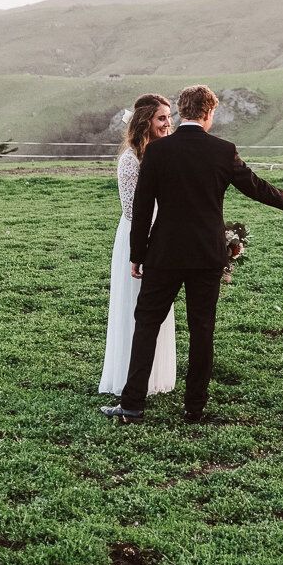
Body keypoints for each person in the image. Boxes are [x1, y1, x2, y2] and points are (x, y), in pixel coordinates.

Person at [100, 84, 283, 424]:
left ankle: (133, 404)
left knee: (146, 324)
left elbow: (141, 205)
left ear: (181, 112)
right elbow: (256, 187)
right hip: (207, 256)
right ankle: (194, 408)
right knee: (202, 329)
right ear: (209, 113)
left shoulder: (159, 152)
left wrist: (137, 254)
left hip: (163, 254)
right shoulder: (223, 151)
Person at [97, 93, 177, 397]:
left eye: (169, 117)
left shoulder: (164, 154)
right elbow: (133, 211)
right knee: (135, 309)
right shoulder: (130, 160)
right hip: (138, 237)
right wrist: (145, 248)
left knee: (157, 310)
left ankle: (156, 377)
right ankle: (129, 379)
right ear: (145, 121)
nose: (168, 123)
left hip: (164, 236)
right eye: (161, 118)